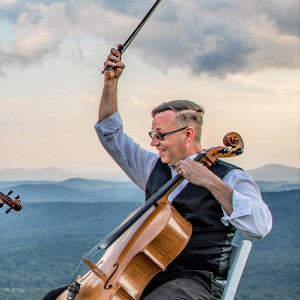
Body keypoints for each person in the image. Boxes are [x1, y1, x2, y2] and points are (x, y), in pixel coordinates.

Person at [43, 47, 272, 300]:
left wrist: (209, 181)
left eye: (161, 135)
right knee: (57, 297)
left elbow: (260, 226)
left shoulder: (229, 176)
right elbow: (111, 135)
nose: (154, 142)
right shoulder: (154, 167)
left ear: (188, 134)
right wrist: (111, 82)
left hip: (195, 282)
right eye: (153, 135)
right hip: (145, 275)